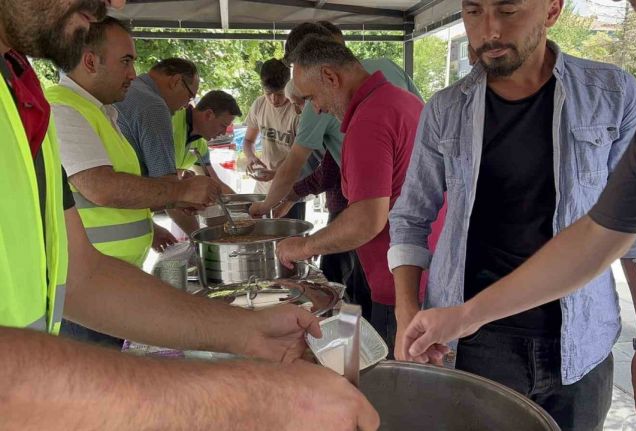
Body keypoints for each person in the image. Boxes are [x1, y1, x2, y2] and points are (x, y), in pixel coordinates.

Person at [0, 1, 378, 429]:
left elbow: (82, 275)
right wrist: (246, 394)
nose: (116, 3)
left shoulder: (22, 95)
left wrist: (242, 329)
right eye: (125, 60)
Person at [400, 0, 636, 429]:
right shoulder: (446, 109)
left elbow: (633, 230)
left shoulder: (614, 95)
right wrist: (426, 316)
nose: (488, 31)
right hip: (476, 343)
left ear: (551, 11)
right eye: (472, 12)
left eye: (507, 11)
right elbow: (602, 234)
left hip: (581, 341)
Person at [46, 18, 221, 347]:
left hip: (110, 283)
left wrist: (146, 225)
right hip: (85, 293)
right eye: (126, 61)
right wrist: (181, 190)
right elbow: (101, 187)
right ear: (90, 61)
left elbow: (85, 195)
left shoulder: (101, 112)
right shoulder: (62, 107)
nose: (133, 73)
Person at [249, 21, 429, 320]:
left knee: (394, 362)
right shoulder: (401, 100)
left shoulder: (367, 122)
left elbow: (365, 222)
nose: (315, 110)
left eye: (310, 98)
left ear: (331, 77)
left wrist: (303, 247)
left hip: (401, 281)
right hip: (424, 270)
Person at [115, 57, 207, 235]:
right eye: (189, 96)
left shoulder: (133, 92)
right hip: (116, 234)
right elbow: (167, 187)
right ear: (176, 81)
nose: (185, 106)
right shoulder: (153, 106)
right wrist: (202, 239)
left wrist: (153, 227)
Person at [242, 58, 307, 219]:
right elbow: (248, 141)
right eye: (268, 94)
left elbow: (304, 160)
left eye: (279, 94)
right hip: (263, 189)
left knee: (288, 240)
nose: (274, 100)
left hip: (291, 190)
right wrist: (251, 158)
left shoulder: (298, 109)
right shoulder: (259, 105)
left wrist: (277, 174)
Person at [172, 89, 241, 193]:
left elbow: (215, 184)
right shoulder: (170, 121)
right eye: (223, 125)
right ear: (208, 114)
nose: (223, 133)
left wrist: (244, 204)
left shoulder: (200, 146)